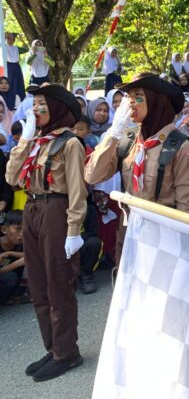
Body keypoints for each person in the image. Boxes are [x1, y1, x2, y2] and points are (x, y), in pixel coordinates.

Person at [6, 83, 87, 381]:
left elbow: (78, 191)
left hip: (56, 211)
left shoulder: (70, 143)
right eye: (35, 103)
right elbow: (12, 177)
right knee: (38, 286)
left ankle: (67, 353)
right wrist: (25, 141)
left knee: (58, 285)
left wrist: (74, 229)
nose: (36, 109)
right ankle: (53, 347)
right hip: (32, 209)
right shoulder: (37, 142)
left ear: (57, 108)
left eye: (42, 104)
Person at [84, 73, 189, 265]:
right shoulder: (128, 139)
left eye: (138, 97)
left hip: (163, 232)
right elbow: (93, 174)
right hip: (129, 227)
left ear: (156, 102)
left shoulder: (178, 146)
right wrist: (113, 134)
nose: (131, 104)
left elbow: (185, 204)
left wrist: (184, 249)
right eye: (128, 98)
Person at [0, 210, 26, 304]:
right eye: (18, 229)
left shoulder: (22, 243)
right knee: (10, 277)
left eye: (25, 229)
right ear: (4, 230)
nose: (22, 234)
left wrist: (10, 253)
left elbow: (34, 255)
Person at [4, 32, 28, 103]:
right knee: (10, 82)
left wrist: (21, 40)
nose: (11, 41)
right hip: (8, 66)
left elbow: (26, 49)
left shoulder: (16, 48)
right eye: (9, 39)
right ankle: (9, 100)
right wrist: (5, 36)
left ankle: (21, 100)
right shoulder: (3, 47)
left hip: (16, 67)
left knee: (19, 83)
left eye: (13, 39)